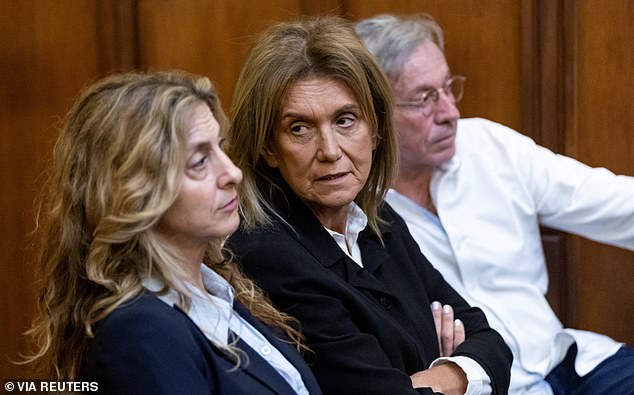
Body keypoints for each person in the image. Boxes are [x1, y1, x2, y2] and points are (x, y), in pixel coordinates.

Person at [226, 16, 512, 395]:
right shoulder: (267, 251)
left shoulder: (376, 217)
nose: (329, 151)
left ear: (376, 129)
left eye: (345, 120)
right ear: (268, 147)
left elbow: (489, 341)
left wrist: (446, 375)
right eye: (300, 128)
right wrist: (456, 367)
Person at [355, 13, 634, 395]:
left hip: (574, 362)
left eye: (449, 88)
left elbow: (612, 203)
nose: (450, 112)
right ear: (375, 114)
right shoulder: (353, 213)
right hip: (490, 386)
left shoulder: (489, 147)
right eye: (425, 99)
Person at [23, 71, 322, 395]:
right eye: (199, 161)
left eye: (221, 148)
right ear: (135, 191)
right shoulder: (140, 332)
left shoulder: (220, 290)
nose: (232, 173)